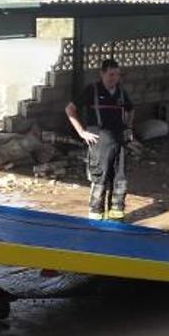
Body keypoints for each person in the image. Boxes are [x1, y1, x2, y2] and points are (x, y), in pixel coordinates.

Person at [65, 58, 135, 221]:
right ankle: (95, 217)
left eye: (117, 75)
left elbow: (131, 110)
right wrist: (82, 132)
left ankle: (117, 217)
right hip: (99, 143)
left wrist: (128, 128)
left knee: (120, 179)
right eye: (111, 75)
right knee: (100, 179)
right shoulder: (92, 91)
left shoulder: (121, 92)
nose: (114, 79)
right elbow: (70, 109)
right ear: (102, 74)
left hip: (119, 142)